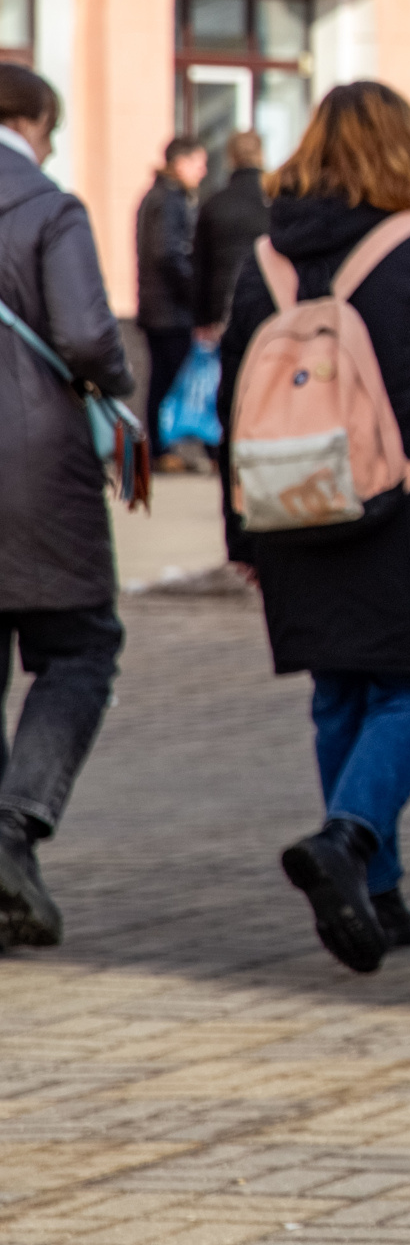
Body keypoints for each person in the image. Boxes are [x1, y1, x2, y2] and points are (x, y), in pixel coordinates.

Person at [215, 80, 410, 974]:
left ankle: (378, 895)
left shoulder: (266, 261)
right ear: (406, 148)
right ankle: (349, 843)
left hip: (289, 505)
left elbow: (235, 404)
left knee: (342, 693)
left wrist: (242, 531)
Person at [0, 67, 138, 948]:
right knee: (81, 646)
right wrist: (119, 396)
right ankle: (14, 828)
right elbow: (87, 334)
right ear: (33, 120)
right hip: (34, 467)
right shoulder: (50, 209)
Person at [134, 135, 210, 461]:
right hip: (169, 308)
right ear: (179, 163)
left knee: (164, 379)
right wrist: (193, 291)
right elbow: (168, 254)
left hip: (158, 305)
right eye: (198, 163)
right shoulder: (169, 200)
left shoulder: (159, 197)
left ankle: (162, 449)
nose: (203, 171)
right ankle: (163, 450)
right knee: (173, 380)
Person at [194, 131, 271, 335]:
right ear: (262, 155)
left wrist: (202, 318)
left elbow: (200, 266)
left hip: (222, 305)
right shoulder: (275, 202)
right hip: (269, 301)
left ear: (231, 158)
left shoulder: (214, 204)